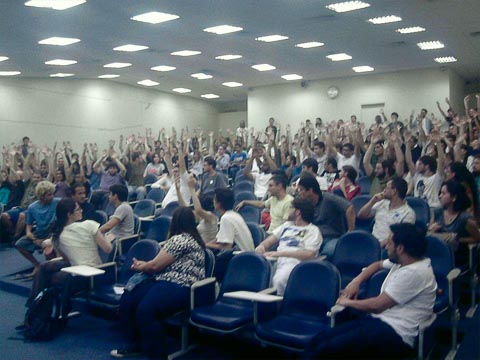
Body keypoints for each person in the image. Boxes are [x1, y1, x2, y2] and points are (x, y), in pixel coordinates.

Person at [306, 223, 437, 359]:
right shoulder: (406, 261)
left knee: (327, 349)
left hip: (396, 334)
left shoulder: (414, 273)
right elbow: (377, 265)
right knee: (319, 340)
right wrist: (356, 282)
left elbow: (377, 306)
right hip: (379, 322)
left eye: (390, 243)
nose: (386, 246)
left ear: (400, 248)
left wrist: (347, 302)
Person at [111, 207, 205, 359]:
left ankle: (156, 355)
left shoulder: (181, 240)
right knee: (129, 299)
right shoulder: (186, 239)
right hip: (163, 280)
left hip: (180, 285)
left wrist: (141, 266)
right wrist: (144, 264)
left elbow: (155, 266)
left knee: (146, 310)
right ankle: (137, 344)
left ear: (175, 222)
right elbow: (158, 264)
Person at [28, 198, 113, 305]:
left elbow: (67, 259)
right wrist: (108, 239)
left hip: (81, 274)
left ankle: (35, 305)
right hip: (92, 272)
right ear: (69, 214)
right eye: (78, 209)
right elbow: (108, 249)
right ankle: (40, 307)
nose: (81, 210)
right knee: (45, 268)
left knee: (44, 271)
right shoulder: (89, 225)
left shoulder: (56, 235)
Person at [255, 198, 322, 295]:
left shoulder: (313, 230)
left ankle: (278, 308)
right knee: (256, 277)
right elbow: (270, 240)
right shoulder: (287, 225)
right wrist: (262, 246)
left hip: (295, 264)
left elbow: (310, 254)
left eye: (291, 208)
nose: (288, 211)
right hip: (276, 261)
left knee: (279, 281)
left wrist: (280, 254)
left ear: (298, 212)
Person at [297, 173, 355, 257]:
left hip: (331, 237)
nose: (300, 193)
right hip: (313, 236)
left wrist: (350, 232)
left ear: (310, 190)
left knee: (328, 252)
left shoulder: (328, 198)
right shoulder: (305, 203)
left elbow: (350, 208)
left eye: (301, 190)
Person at [429, 180, 480, 266]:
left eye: (443, 193)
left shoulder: (464, 218)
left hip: (457, 257)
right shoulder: (437, 212)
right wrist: (431, 230)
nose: (440, 196)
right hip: (438, 255)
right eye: (440, 193)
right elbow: (429, 234)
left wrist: (457, 239)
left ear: (454, 198)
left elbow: (477, 238)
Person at [15, 181, 60, 277]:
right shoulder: (32, 207)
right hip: (39, 232)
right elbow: (29, 223)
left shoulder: (58, 202)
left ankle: (50, 270)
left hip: (53, 232)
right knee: (20, 244)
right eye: (49, 194)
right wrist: (29, 233)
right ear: (41, 196)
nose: (52, 196)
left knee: (49, 248)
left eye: (52, 193)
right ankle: (36, 265)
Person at [358, 178, 416, 247]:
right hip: (372, 242)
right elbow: (361, 215)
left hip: (389, 247)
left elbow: (402, 237)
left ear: (394, 191)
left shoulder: (408, 213)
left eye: (387, 188)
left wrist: (380, 245)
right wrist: (372, 201)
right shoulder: (382, 203)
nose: (383, 190)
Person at [177, 174, 218, 244]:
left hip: (208, 250)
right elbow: (184, 209)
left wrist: (192, 188)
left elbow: (198, 210)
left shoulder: (212, 216)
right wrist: (177, 190)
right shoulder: (202, 217)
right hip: (199, 246)